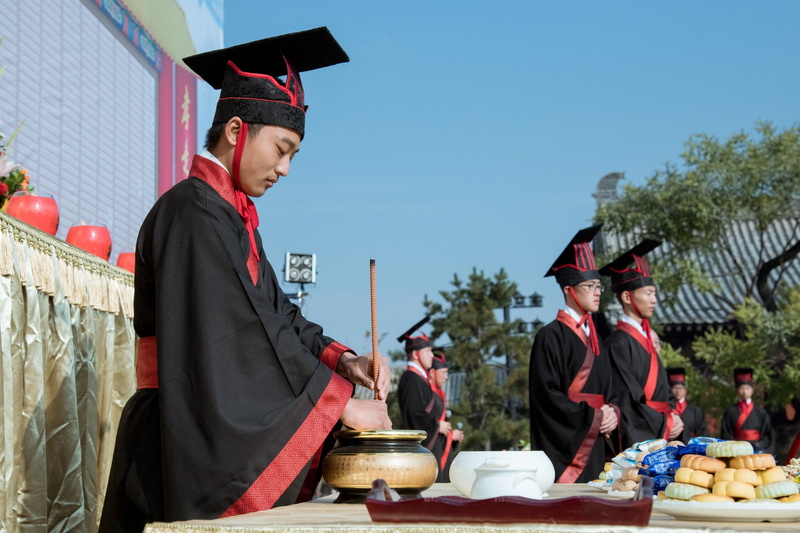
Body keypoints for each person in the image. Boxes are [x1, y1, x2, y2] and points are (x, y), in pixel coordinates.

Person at [100, 28, 392, 533]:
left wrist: (344, 361)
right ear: (236, 130)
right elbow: (240, 331)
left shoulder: (232, 217)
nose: (284, 169)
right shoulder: (192, 211)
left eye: (293, 156)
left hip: (192, 423)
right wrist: (340, 404)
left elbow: (280, 317)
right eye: (281, 148)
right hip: (178, 433)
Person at [529, 224, 620, 484]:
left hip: (601, 441)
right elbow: (546, 398)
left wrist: (613, 412)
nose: (597, 292)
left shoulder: (598, 338)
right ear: (569, 289)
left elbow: (610, 390)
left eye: (599, 286)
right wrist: (593, 417)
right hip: (568, 448)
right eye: (589, 285)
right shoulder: (549, 336)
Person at [599, 239, 683, 447]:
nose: (654, 299)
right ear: (627, 297)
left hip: (664, 428)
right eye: (648, 293)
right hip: (643, 437)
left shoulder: (648, 339)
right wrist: (667, 422)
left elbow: (664, 389)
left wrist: (674, 414)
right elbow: (628, 401)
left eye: (654, 293)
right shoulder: (617, 344)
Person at [396, 317, 455, 477]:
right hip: (420, 451)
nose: (431, 355)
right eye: (427, 351)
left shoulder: (418, 378)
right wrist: (437, 426)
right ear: (415, 354)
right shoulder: (411, 378)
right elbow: (415, 414)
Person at [427, 349, 464, 482]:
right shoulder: (429, 394)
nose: (446, 377)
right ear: (432, 373)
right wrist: (450, 435)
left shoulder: (438, 394)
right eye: (443, 373)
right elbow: (425, 423)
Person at [720, 368, 775, 454]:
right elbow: (726, 434)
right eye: (741, 388)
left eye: (747, 388)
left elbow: (768, 435)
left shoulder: (761, 412)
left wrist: (759, 446)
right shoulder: (729, 412)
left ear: (752, 390)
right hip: (736, 450)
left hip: (757, 449)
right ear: (736, 391)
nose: (744, 392)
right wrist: (735, 447)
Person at [667, 367, 708, 441]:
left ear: (685, 390)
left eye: (680, 388)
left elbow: (703, 433)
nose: (678, 392)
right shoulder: (667, 409)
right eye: (675, 388)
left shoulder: (696, 411)